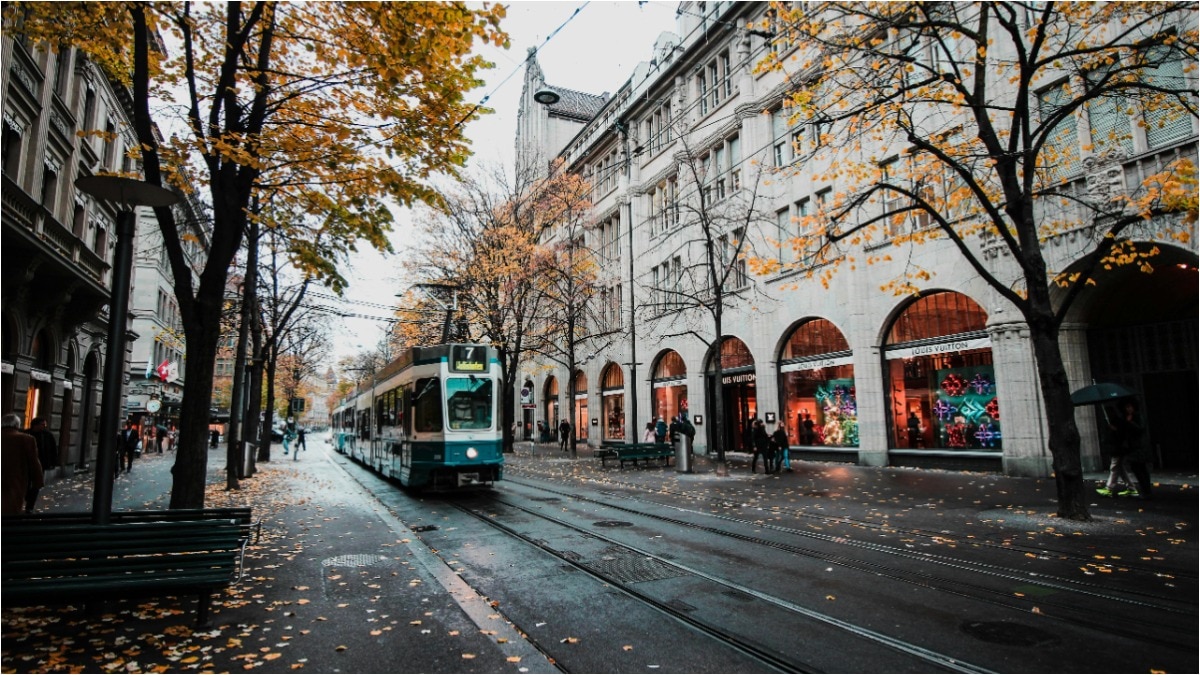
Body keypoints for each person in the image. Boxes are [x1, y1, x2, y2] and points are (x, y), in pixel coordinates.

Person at [1098, 400, 1151, 498]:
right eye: (1127, 407)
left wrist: (1129, 423)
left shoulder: (1135, 417)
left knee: (1138, 469)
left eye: (1129, 406)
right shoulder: (1124, 418)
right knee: (1125, 469)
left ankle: (1111, 487)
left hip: (1136, 447)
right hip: (1129, 447)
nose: (1128, 409)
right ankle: (1133, 488)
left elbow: (1139, 430)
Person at [3, 414, 44, 515]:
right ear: (17, 425)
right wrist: (38, 481)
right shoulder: (27, 439)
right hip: (15, 478)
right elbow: (34, 462)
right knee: (11, 507)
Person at [24, 417, 56, 512]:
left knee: (36, 485)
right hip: (27, 463)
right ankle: (26, 497)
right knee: (26, 482)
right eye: (43, 424)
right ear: (36, 425)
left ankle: (29, 506)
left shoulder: (47, 435)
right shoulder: (26, 434)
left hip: (41, 463)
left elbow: (53, 450)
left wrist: (52, 462)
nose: (44, 426)